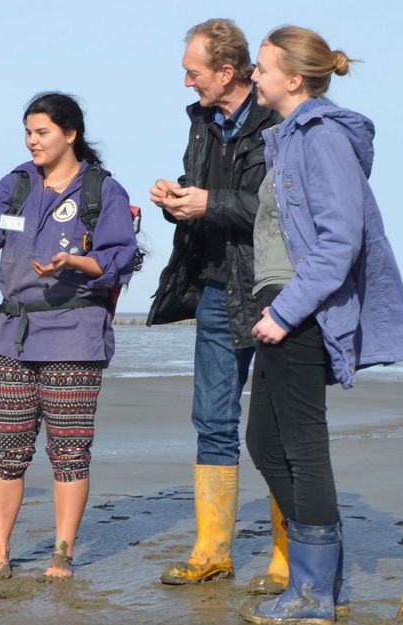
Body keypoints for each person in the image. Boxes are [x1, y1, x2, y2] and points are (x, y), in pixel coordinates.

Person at [238, 26, 403, 625]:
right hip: (279, 304)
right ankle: (324, 579)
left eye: (261, 68)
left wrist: (285, 313)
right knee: (264, 440)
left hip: (300, 308)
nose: (252, 75)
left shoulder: (322, 136)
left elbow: (341, 240)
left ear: (294, 77)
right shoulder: (284, 138)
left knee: (303, 448)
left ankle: (313, 594)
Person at [0, 92, 139, 580]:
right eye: (28, 132)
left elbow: (118, 260)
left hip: (75, 334)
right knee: (7, 447)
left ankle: (62, 554)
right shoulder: (14, 185)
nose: (33, 141)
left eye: (42, 132)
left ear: (70, 134)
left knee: (69, 449)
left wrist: (74, 261)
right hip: (13, 334)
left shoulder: (102, 191)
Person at [146, 18, 287, 590]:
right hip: (211, 286)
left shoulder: (279, 116)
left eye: (194, 72)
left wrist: (208, 202)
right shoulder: (202, 121)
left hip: (274, 289)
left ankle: (285, 554)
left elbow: (279, 210)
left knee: (278, 427)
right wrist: (176, 199)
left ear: (227, 72)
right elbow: (203, 188)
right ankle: (212, 550)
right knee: (212, 420)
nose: (187, 83)